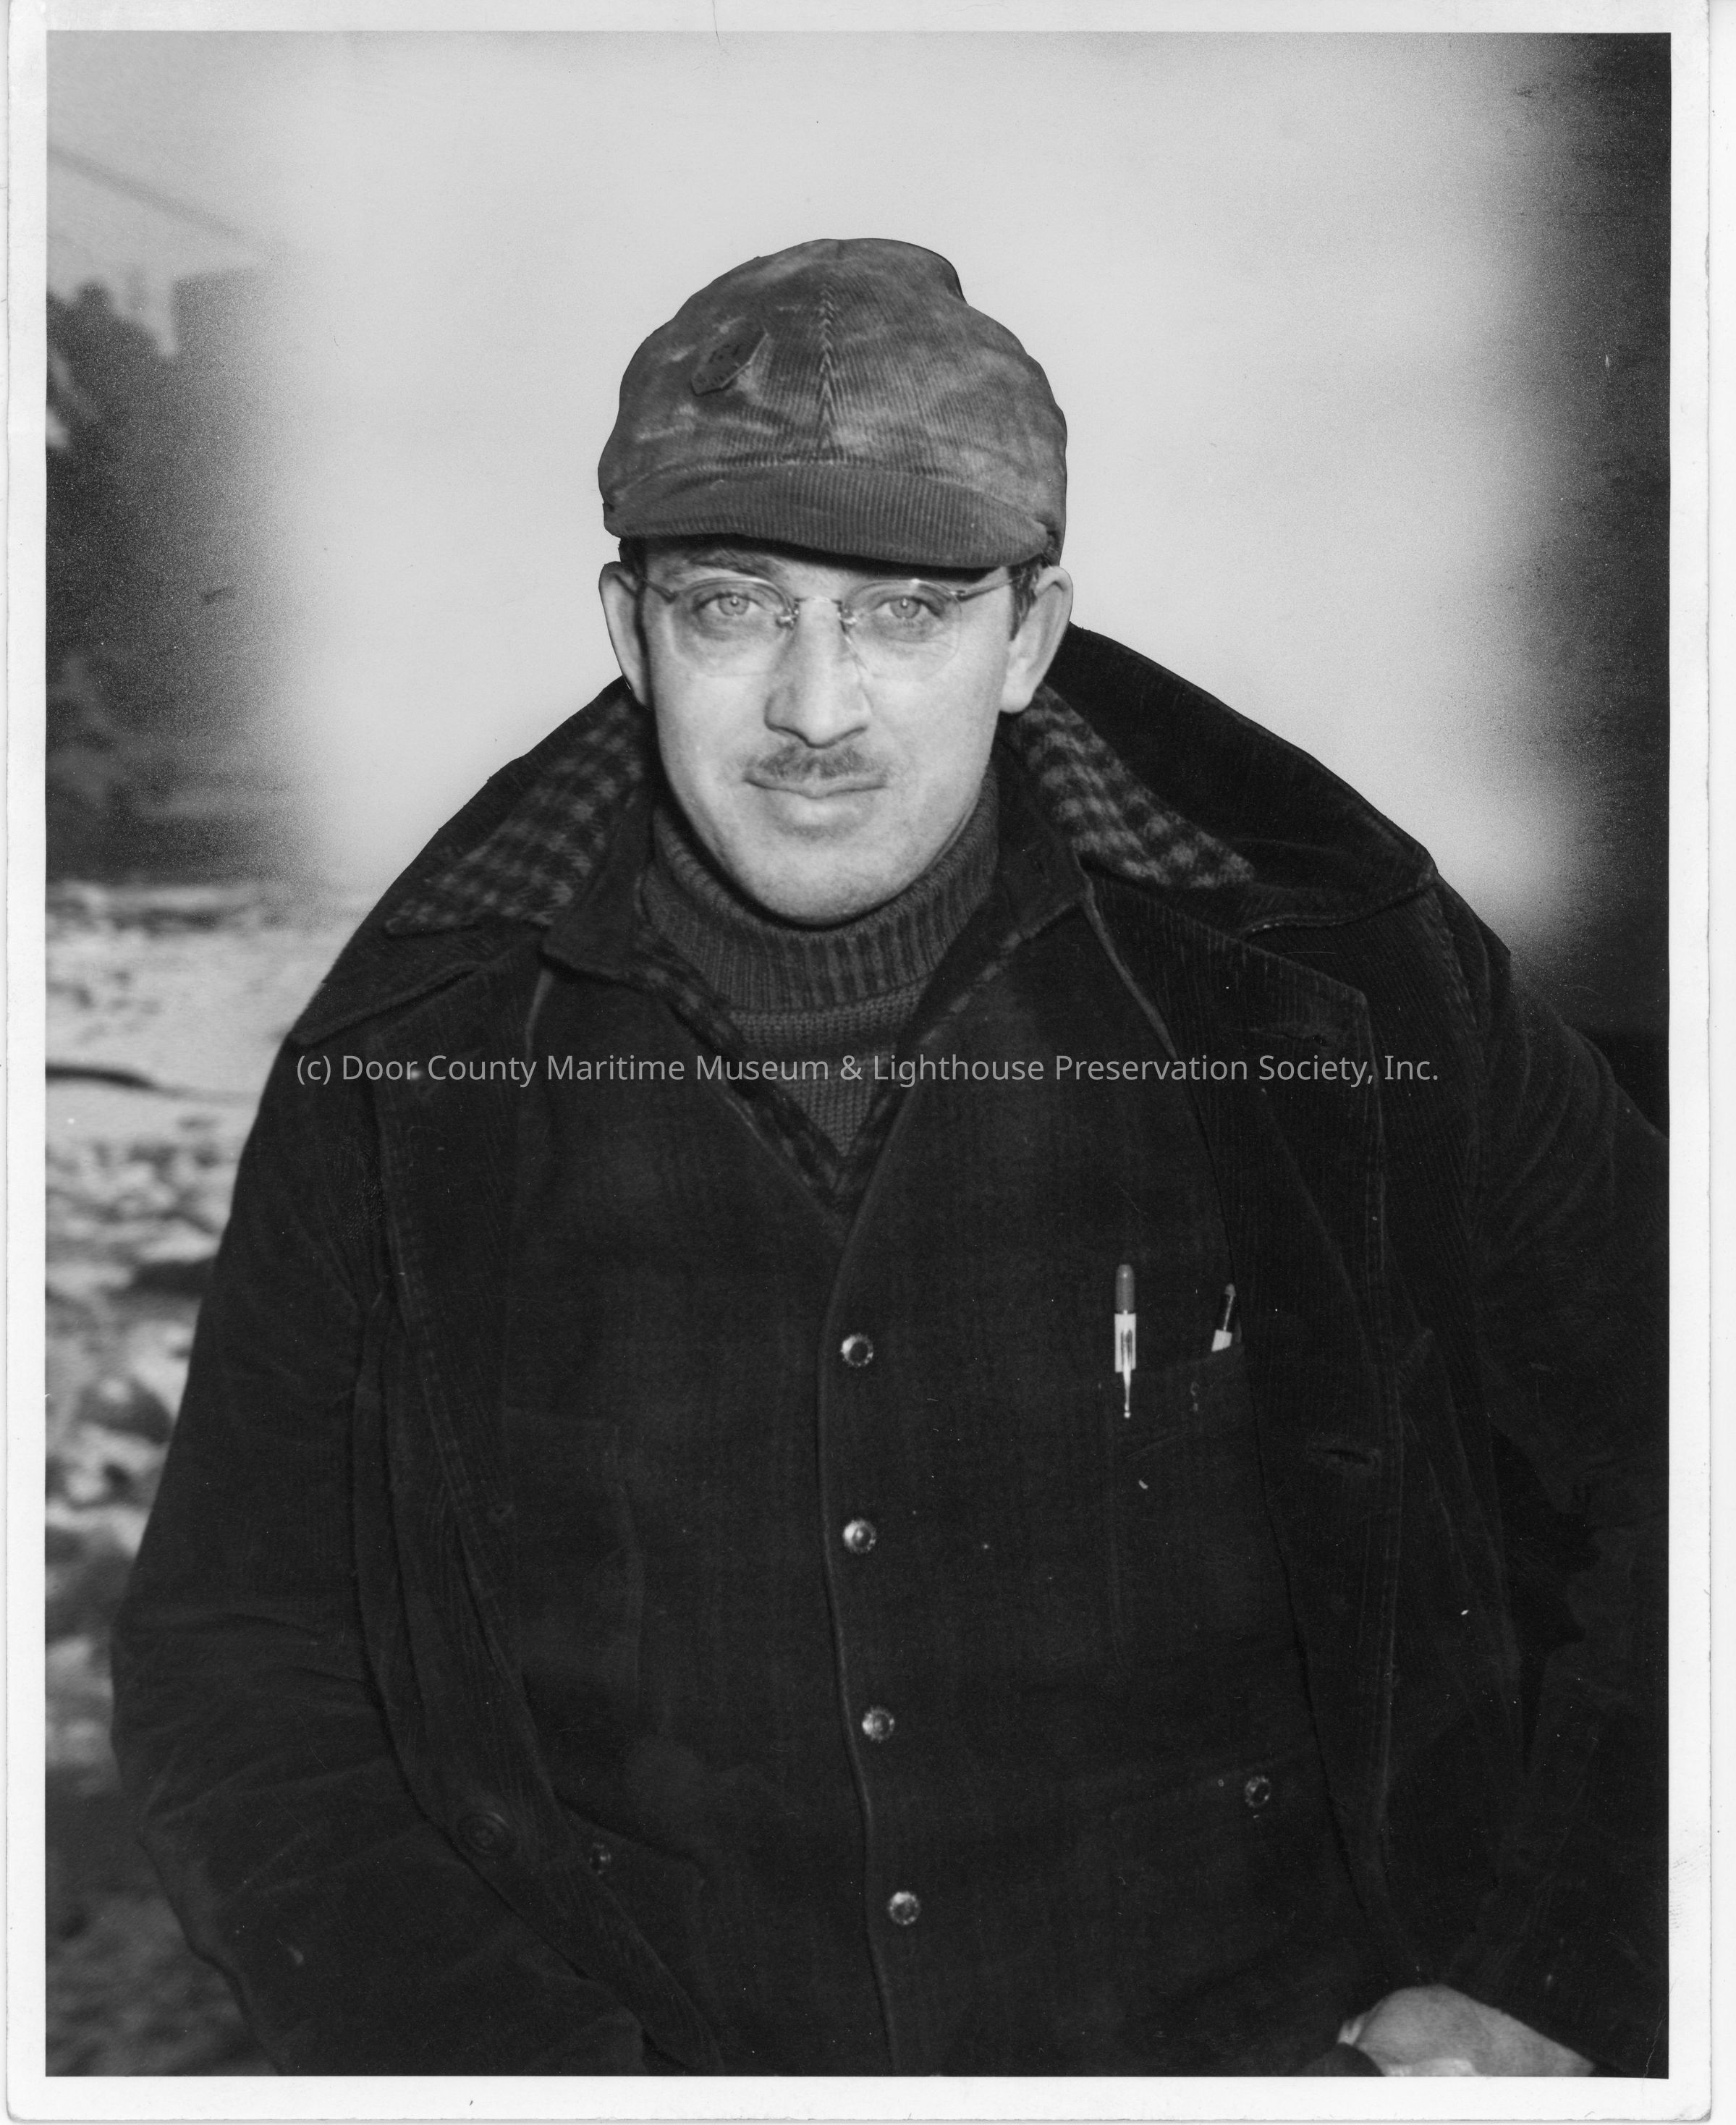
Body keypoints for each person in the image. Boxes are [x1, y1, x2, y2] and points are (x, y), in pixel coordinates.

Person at [111, 237, 1667, 2079]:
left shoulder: (1337, 985)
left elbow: (1694, 1440)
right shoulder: (409, 1062)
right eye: (733, 606)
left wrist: (1556, 1975)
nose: (818, 708)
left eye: (908, 614)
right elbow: (237, 1653)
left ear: (1031, 638)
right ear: (628, 632)